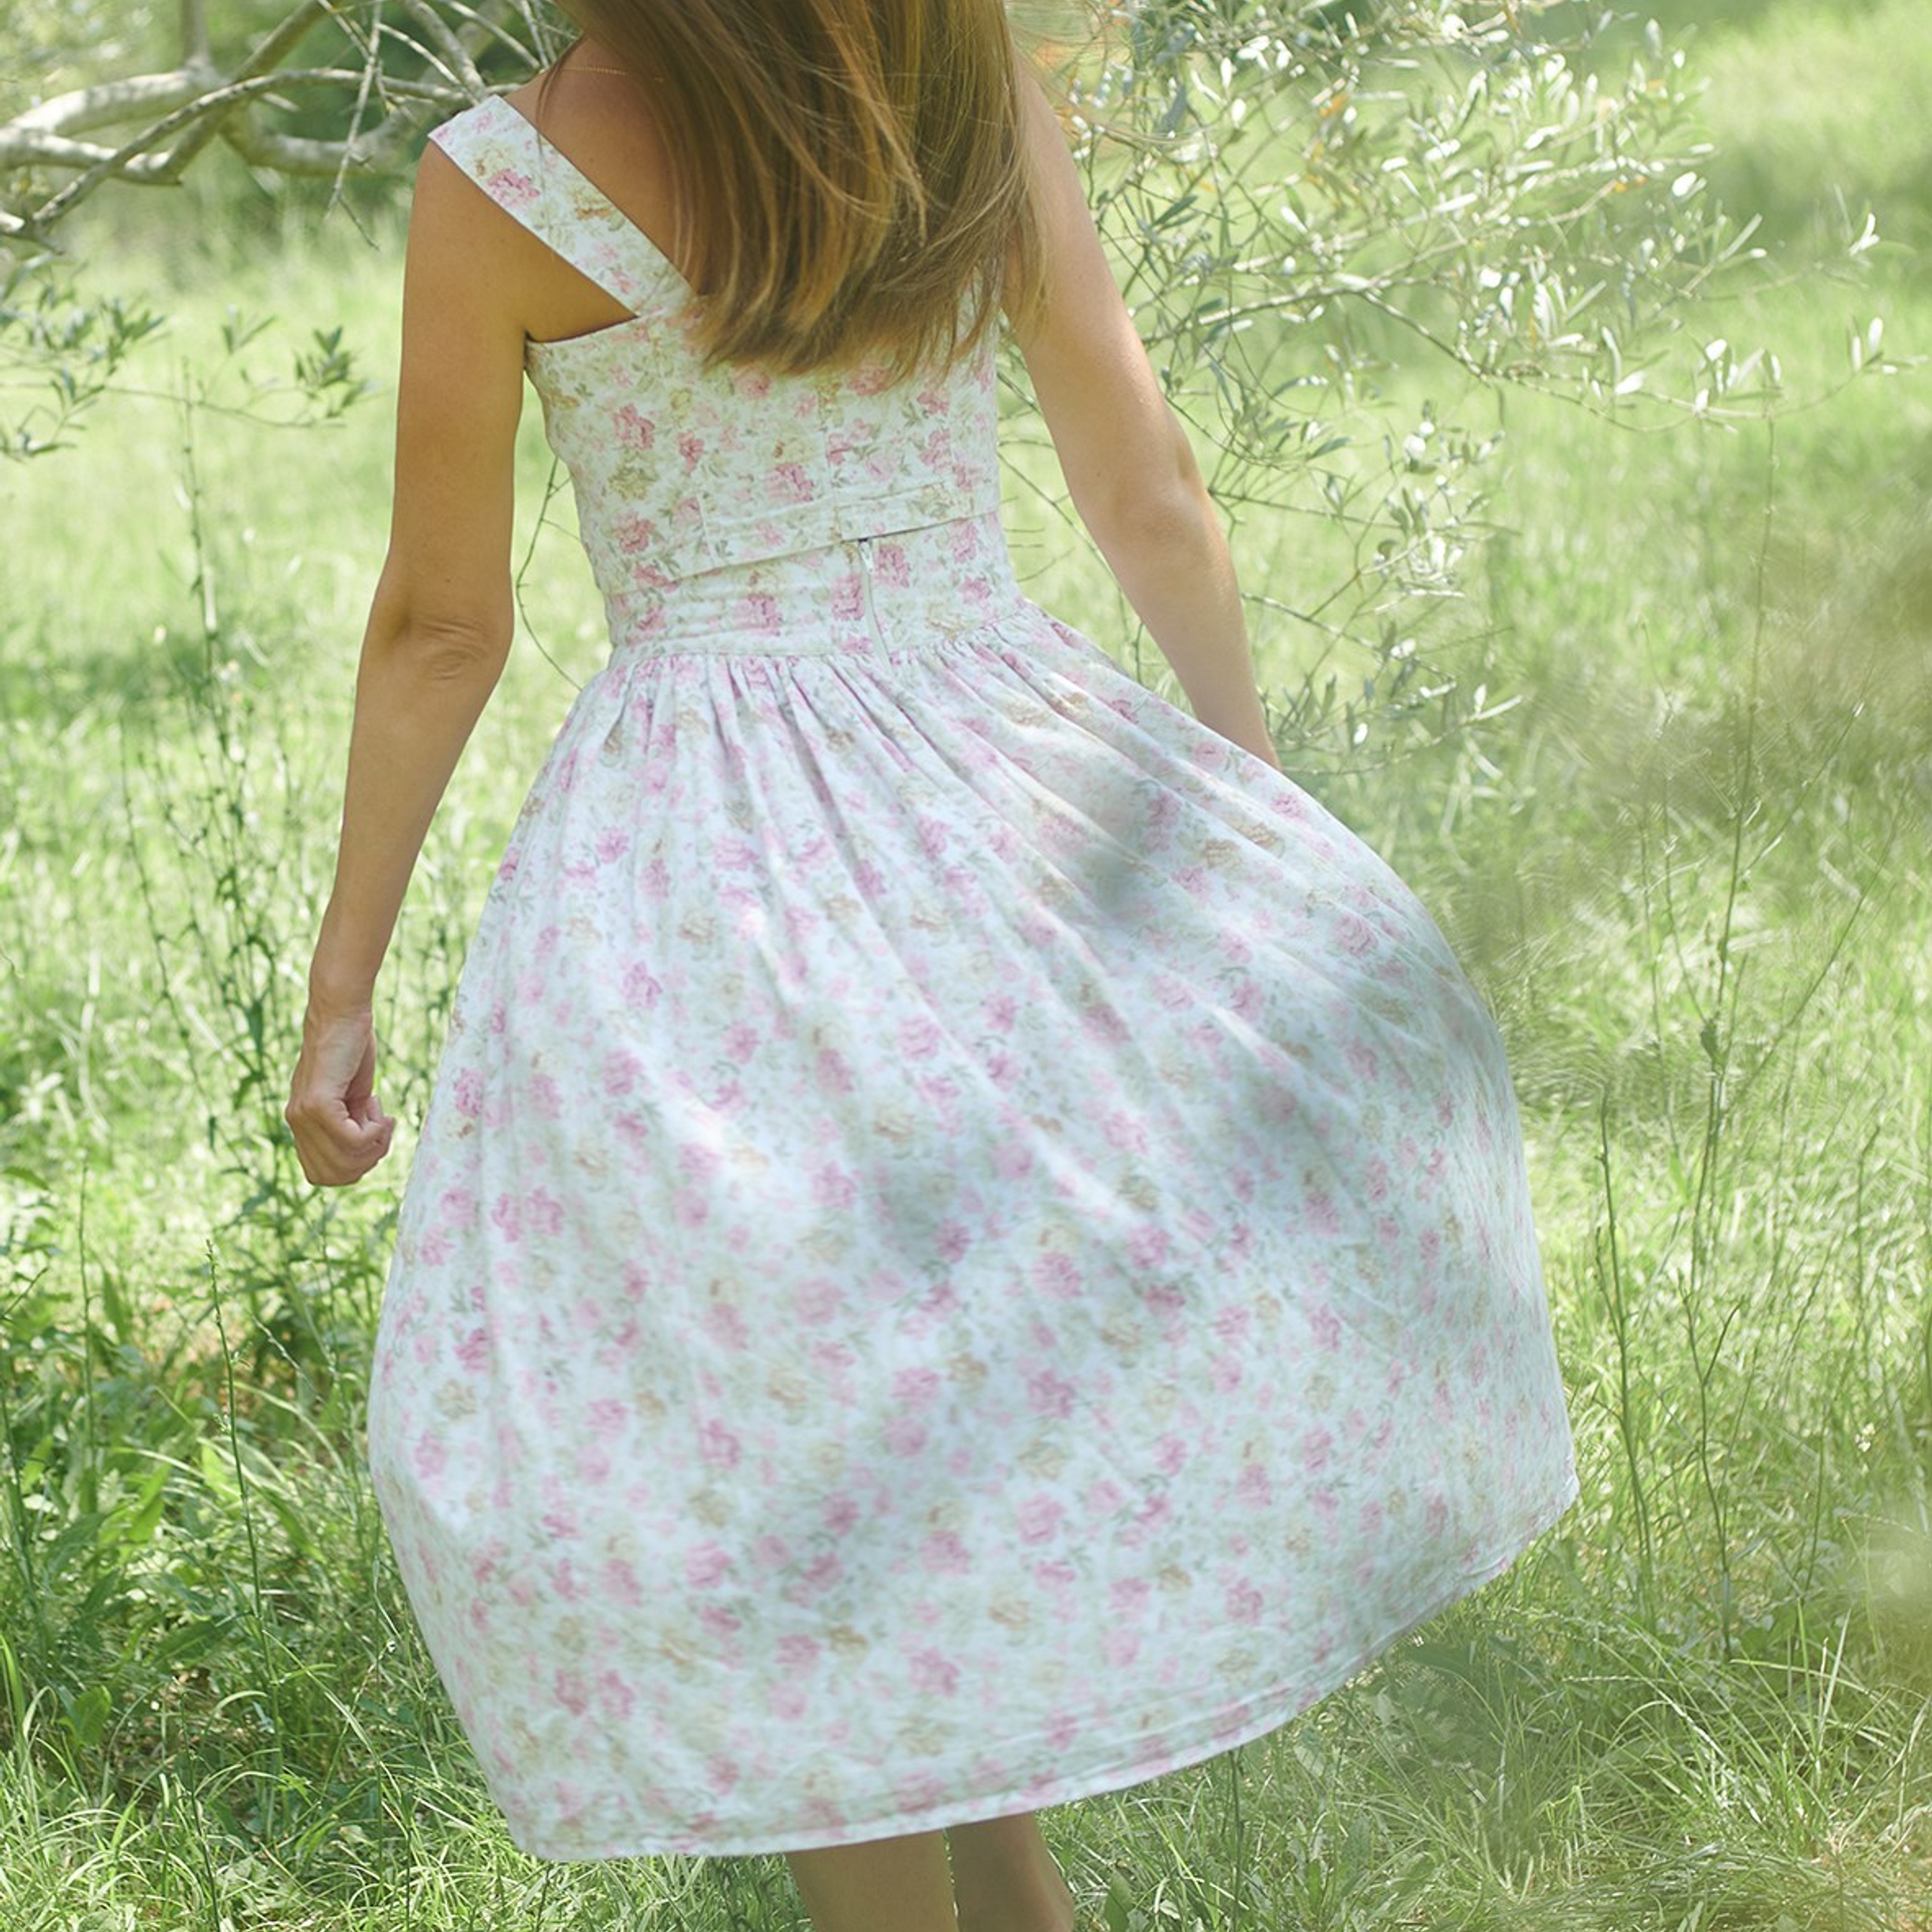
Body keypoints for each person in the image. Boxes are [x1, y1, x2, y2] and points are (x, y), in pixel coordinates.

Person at [284, 4, 1581, 1928]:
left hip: (701, 856)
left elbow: (439, 624)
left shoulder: (506, 175)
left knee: (786, 1412)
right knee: (942, 1364)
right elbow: (1145, 481)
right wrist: (1246, 806)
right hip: (998, 773)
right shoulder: (949, 69)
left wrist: (344, 979)